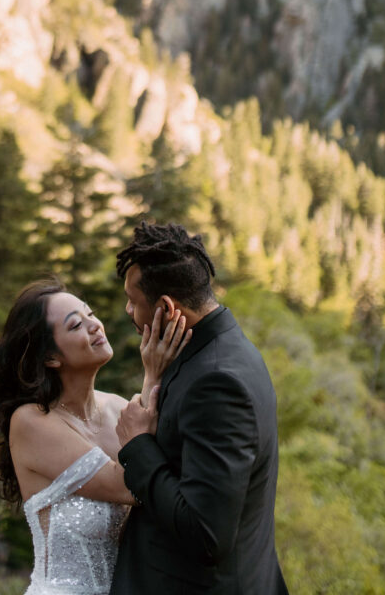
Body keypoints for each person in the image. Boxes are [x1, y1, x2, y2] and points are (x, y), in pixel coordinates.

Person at [111, 221, 289, 595]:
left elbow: (206, 534)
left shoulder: (217, 381)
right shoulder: (220, 351)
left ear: (165, 308)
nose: (129, 310)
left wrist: (138, 446)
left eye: (133, 300)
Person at [0, 277, 190, 595]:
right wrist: (152, 374)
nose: (95, 325)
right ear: (51, 358)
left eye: (90, 314)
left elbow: (166, 476)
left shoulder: (120, 408)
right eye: (75, 325)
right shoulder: (30, 422)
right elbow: (132, 486)